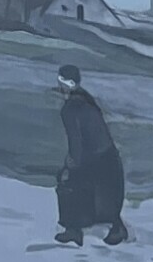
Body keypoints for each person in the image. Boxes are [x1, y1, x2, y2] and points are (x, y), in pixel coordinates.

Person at [54, 65, 129, 245]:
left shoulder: (70, 110)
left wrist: (70, 166)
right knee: (104, 195)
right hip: (108, 156)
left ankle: (74, 229)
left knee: (67, 184)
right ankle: (115, 227)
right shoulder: (86, 99)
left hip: (95, 158)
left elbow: (76, 143)